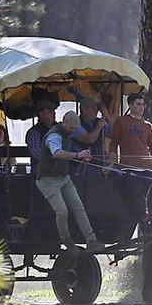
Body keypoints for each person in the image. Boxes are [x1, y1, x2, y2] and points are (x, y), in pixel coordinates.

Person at [26, 90, 101, 249]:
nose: (73, 131)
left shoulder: (65, 133)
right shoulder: (52, 135)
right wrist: (76, 155)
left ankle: (91, 240)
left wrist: (83, 155)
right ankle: (67, 241)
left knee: (78, 207)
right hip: (47, 179)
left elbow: (72, 147)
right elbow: (55, 153)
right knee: (62, 211)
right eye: (50, 111)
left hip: (63, 177)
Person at [108, 92, 152, 170]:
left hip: (147, 168)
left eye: (143, 104)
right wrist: (111, 164)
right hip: (128, 168)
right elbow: (113, 144)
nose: (141, 107)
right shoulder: (121, 121)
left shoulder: (147, 125)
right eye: (138, 104)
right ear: (130, 106)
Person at [73, 96, 108, 161]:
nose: (96, 110)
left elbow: (114, 134)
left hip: (101, 160)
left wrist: (107, 115)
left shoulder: (98, 121)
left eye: (97, 108)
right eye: (93, 108)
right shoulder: (76, 125)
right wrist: (99, 126)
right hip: (85, 162)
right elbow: (90, 139)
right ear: (84, 109)